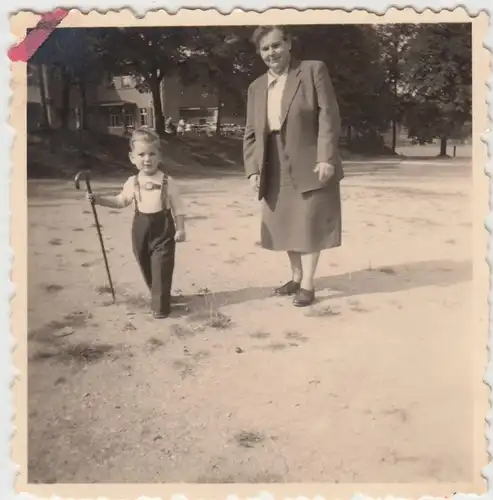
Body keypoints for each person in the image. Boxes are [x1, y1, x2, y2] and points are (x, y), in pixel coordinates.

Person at [243, 25, 344, 307]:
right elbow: (251, 131)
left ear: (289, 44)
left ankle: (309, 285)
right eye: (265, 48)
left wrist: (326, 157)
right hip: (271, 160)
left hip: (309, 158)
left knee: (309, 221)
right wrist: (252, 169)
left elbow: (328, 115)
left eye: (276, 45)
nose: (271, 52)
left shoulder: (313, 71)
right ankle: (296, 277)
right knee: (287, 221)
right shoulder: (256, 87)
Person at [86, 126, 186, 319]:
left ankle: (160, 307)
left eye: (152, 154)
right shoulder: (132, 182)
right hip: (140, 226)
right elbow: (121, 201)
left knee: (162, 265)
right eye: (141, 154)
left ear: (160, 156)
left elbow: (178, 208)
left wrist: (181, 229)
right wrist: (99, 200)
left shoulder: (168, 181)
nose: (147, 159)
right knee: (145, 262)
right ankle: (157, 292)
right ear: (132, 158)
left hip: (163, 226)